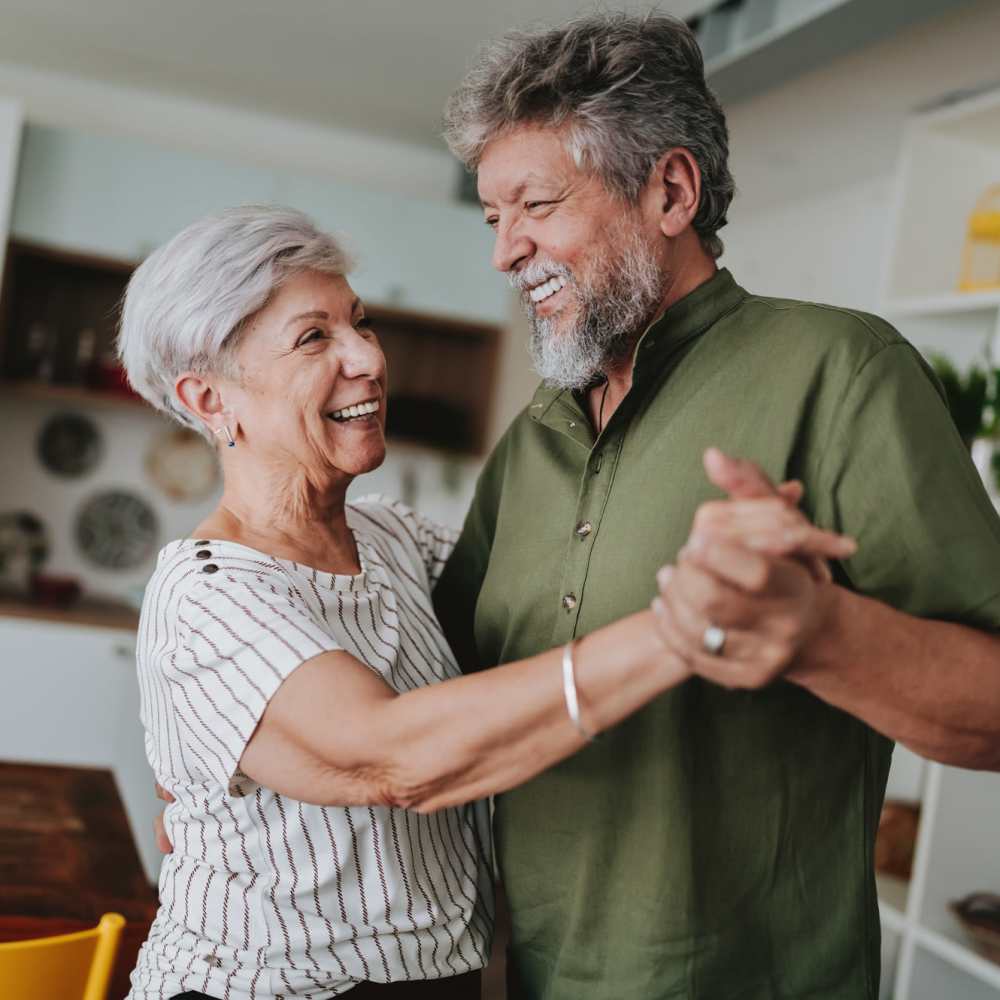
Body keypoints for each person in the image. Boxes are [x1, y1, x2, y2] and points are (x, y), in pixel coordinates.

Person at [120, 205, 851, 1000]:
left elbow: (554, 613)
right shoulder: (206, 593)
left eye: (360, 323)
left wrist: (730, 557)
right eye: (313, 339)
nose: (368, 356)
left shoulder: (396, 540)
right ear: (210, 399)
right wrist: (682, 625)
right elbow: (393, 756)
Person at [436, 11, 1000, 999]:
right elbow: (445, 701)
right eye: (493, 218)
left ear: (670, 189)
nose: (505, 252)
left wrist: (821, 630)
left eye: (534, 204)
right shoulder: (534, 435)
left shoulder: (840, 371)